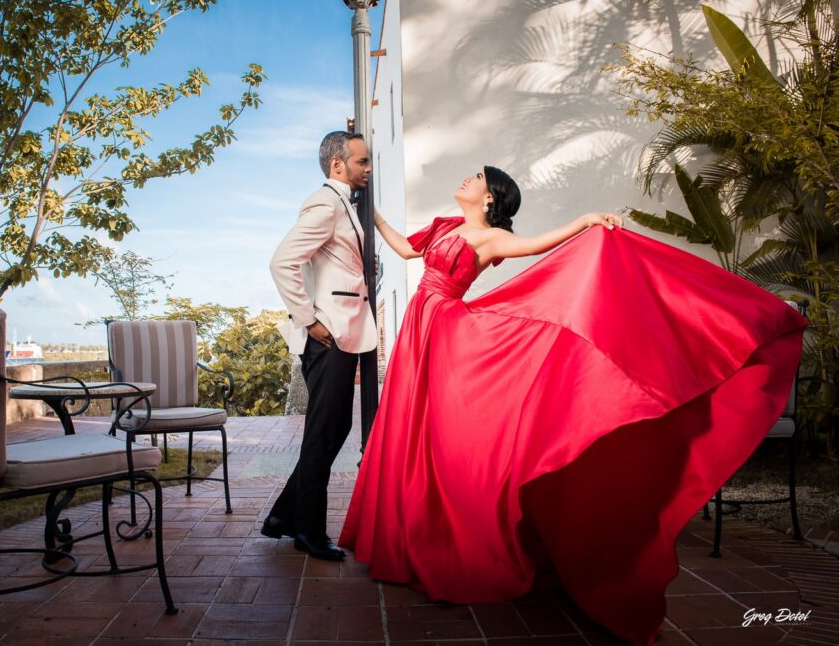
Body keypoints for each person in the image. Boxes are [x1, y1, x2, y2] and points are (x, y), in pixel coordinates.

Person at [339, 165, 806, 645]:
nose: (464, 179)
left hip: (451, 331)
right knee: (415, 426)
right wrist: (369, 210)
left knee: (450, 430)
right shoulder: (445, 227)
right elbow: (405, 249)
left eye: (475, 177)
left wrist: (584, 222)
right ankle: (410, 528)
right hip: (424, 326)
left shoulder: (491, 239)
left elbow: (542, 248)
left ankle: (456, 531)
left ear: (490, 198)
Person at [265, 131, 377, 561]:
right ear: (337, 165)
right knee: (323, 434)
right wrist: (307, 319)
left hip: (347, 329)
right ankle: (308, 531)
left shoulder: (348, 205)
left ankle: (284, 518)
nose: (368, 169)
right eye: (362, 162)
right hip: (328, 332)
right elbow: (282, 262)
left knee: (333, 430)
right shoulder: (325, 203)